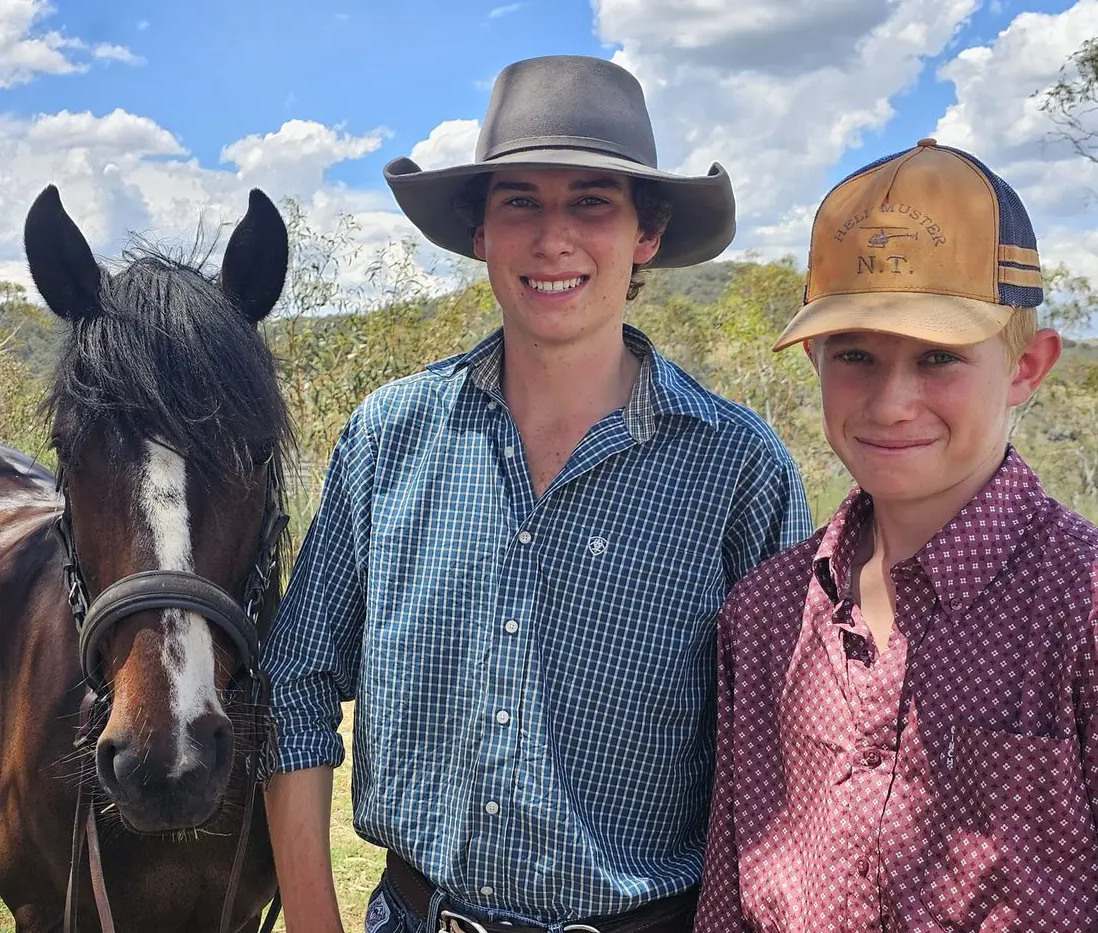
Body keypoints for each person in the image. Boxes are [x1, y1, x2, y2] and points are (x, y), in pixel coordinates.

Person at [263, 55, 812, 933]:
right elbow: (295, 681)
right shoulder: (389, 438)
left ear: (648, 232)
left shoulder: (736, 469)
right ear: (480, 230)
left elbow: (787, 760)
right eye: (520, 199)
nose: (553, 236)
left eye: (592, 199)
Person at [694, 139, 1098, 932]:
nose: (893, 401)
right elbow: (731, 890)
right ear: (815, 361)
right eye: (855, 354)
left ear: (1027, 366)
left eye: (938, 358)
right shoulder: (765, 616)